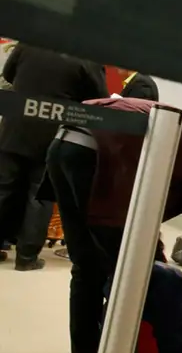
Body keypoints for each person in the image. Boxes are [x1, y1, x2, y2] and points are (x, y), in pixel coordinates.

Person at [46, 97, 182, 353]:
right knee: (125, 274)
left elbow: (148, 208)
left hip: (65, 143)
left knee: (87, 268)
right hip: (99, 155)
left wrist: (157, 257)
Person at [0, 43, 107, 270]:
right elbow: (99, 100)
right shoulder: (87, 57)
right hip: (50, 133)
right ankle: (26, 258)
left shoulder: (29, 44)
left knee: (4, 189)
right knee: (38, 196)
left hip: (14, 126)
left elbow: (8, 74)